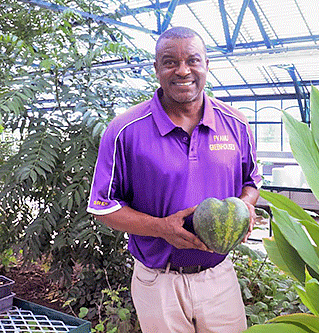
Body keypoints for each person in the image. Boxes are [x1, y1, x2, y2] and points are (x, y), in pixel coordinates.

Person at [87, 26, 262, 332]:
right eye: (170, 62)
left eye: (193, 60)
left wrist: (247, 204)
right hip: (158, 282)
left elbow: (252, 181)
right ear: (156, 69)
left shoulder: (236, 123)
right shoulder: (125, 130)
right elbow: (103, 206)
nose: (183, 71)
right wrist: (161, 228)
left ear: (207, 65)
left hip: (219, 277)